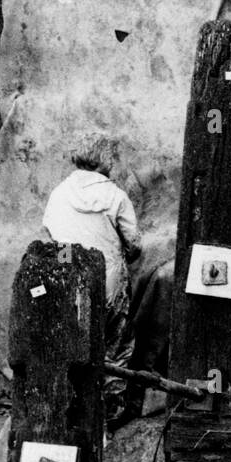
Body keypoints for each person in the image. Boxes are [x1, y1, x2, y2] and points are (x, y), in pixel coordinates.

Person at [42, 133, 140, 423]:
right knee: (115, 342)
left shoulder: (58, 193)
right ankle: (111, 407)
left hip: (67, 282)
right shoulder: (116, 196)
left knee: (72, 341)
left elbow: (50, 235)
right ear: (106, 159)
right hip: (108, 282)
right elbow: (134, 243)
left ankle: (71, 407)